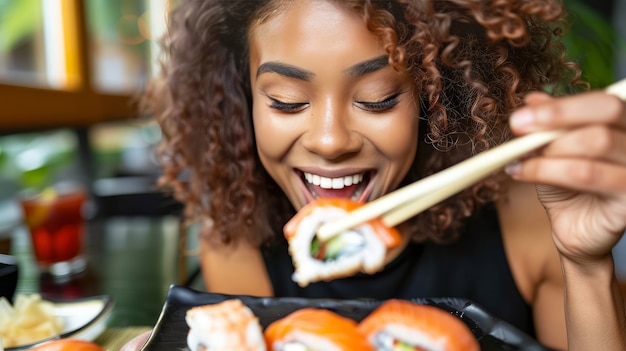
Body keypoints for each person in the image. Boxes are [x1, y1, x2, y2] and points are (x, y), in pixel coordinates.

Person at [126, 0, 626, 350]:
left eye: (378, 98)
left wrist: (586, 262)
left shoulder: (529, 214)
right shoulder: (237, 235)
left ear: (436, 97)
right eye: (287, 102)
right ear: (241, 101)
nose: (330, 140)